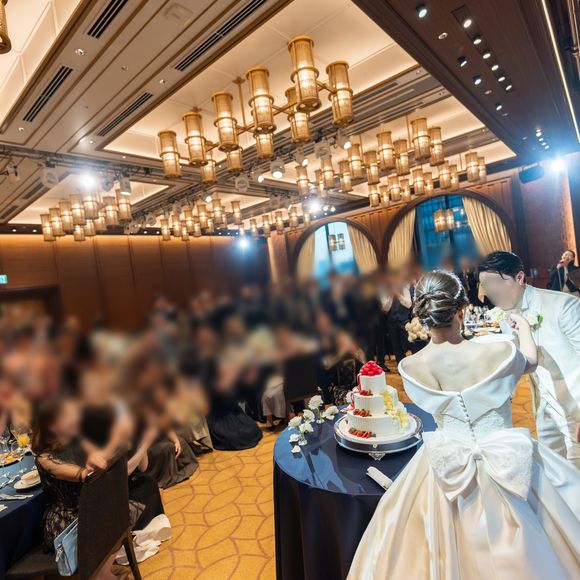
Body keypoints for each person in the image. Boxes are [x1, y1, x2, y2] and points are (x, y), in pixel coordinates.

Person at [348, 270, 580, 579]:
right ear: (462, 309)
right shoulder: (499, 352)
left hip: (447, 467)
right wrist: (524, 327)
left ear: (423, 313)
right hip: (510, 463)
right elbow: (531, 361)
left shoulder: (409, 367)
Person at [478, 251, 580, 467]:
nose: (490, 291)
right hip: (543, 405)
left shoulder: (564, 306)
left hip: (575, 407)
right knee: (552, 467)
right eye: (485, 285)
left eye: (495, 282)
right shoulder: (504, 315)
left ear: (519, 278)